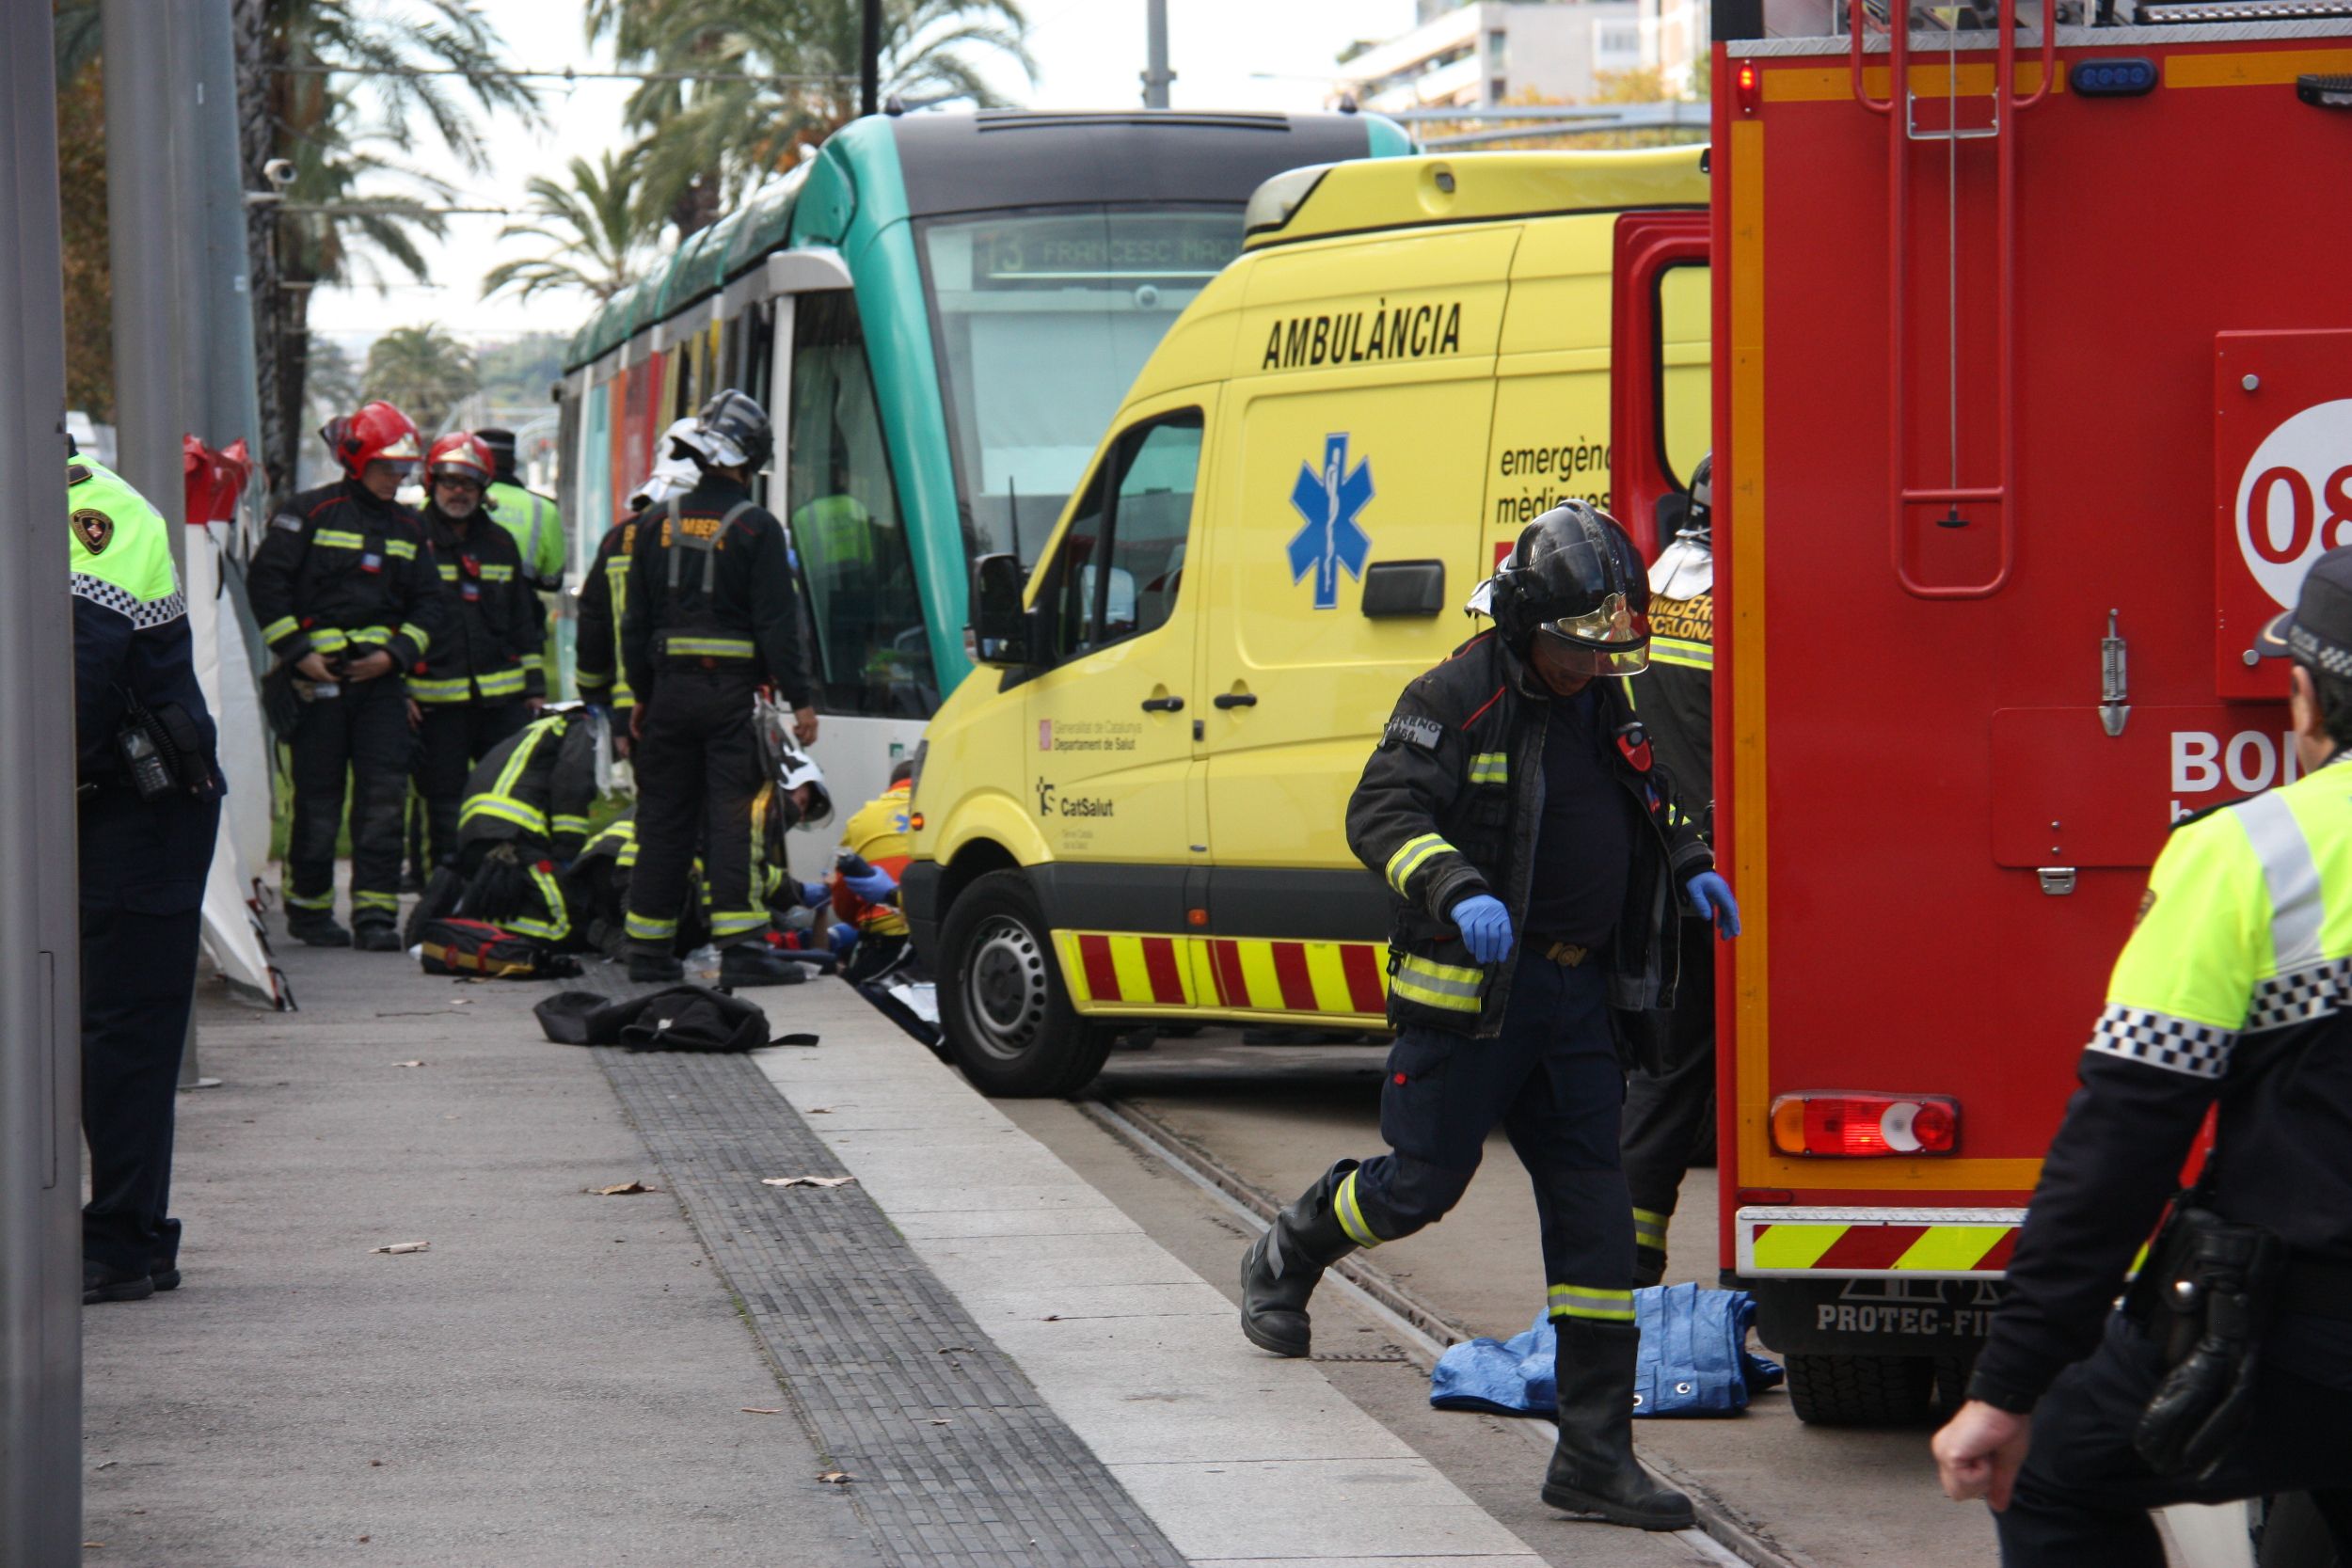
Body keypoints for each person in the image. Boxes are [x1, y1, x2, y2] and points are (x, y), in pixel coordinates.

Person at [1237, 502, 1739, 1532]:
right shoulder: (1453, 695)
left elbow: (1652, 796)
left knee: (1596, 1222)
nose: (1592, 666)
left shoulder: (1604, 695)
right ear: (1526, 624)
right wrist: (1456, 885)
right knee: (1419, 1184)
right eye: (1574, 646)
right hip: (1473, 1005)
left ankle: (1594, 1455)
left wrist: (1690, 862)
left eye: (1606, 649)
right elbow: (1380, 812)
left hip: (1576, 1002)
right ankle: (1288, 1247)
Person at [1931, 550, 2352, 1564]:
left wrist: (2009, 1383)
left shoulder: (2249, 854)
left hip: (2307, 1333)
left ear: (2305, 696)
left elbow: (2120, 1143)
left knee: (2051, 1477)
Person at [69, 445, 223, 1305]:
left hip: (138, 806)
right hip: (85, 804)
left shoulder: (97, 514)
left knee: (121, 1029)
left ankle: (124, 1240)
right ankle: (126, 1232)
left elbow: (73, 680)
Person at [619, 388, 818, 988]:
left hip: (669, 700)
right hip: (731, 701)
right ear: (747, 459)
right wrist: (800, 699)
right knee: (735, 819)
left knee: (664, 819)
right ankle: (742, 950)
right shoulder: (757, 528)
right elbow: (778, 627)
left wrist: (643, 698)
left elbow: (636, 623)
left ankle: (646, 951)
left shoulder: (654, 525)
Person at [249, 402, 451, 950]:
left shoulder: (410, 525)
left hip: (380, 687)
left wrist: (395, 656)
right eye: (388, 468)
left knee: (384, 800)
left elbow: (431, 604)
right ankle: (311, 913)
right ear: (357, 462)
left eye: (404, 469)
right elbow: (268, 584)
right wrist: (297, 652)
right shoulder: (309, 512)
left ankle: (375, 916)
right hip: (317, 687)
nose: (397, 478)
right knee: (317, 801)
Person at [1618, 454, 1718, 1286]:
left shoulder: (1655, 591)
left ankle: (1629, 1265)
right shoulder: (1755, 601)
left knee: (1668, 1077)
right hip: (1739, 879)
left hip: (1670, 871)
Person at [410, 431, 543, 871]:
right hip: (434, 701)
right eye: (450, 481)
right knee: (443, 798)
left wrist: (534, 686)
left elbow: (525, 621)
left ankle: (497, 879)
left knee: (505, 791)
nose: (459, 491)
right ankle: (447, 885)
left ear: (484, 489)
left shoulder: (501, 543)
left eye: (469, 483)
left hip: (500, 700)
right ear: (432, 483)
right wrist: (399, 688)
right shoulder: (413, 539)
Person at [577, 419, 702, 750]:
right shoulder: (730, 531)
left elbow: (594, 622)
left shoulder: (618, 539)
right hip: (716, 701)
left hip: (634, 704)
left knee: (657, 798)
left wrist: (593, 694)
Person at [476, 426, 565, 594]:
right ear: (513, 464)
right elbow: (553, 580)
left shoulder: (446, 504)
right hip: (519, 613)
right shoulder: (545, 509)